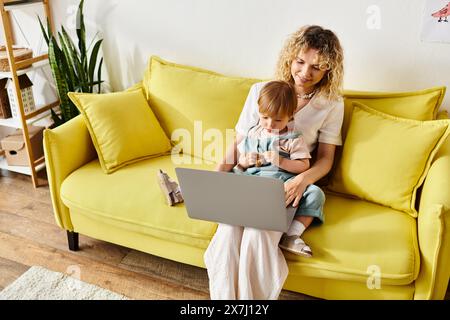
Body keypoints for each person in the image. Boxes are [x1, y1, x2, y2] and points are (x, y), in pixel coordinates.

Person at [204, 25, 344, 300]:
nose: (305, 73)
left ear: (329, 69)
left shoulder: (331, 104)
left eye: (316, 67)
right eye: (300, 62)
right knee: (228, 232)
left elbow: (326, 159)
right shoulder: (262, 91)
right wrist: (215, 178)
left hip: (286, 183)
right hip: (250, 180)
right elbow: (238, 144)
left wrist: (302, 180)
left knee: (258, 235)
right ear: (290, 58)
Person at [232, 80, 323, 258]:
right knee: (233, 179)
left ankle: (292, 235)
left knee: (315, 194)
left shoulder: (293, 139)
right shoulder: (254, 133)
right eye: (264, 117)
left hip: (284, 185)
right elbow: (240, 163)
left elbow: (304, 165)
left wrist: (281, 161)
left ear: (290, 117)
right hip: (256, 182)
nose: (270, 124)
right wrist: (244, 161)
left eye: (278, 120)